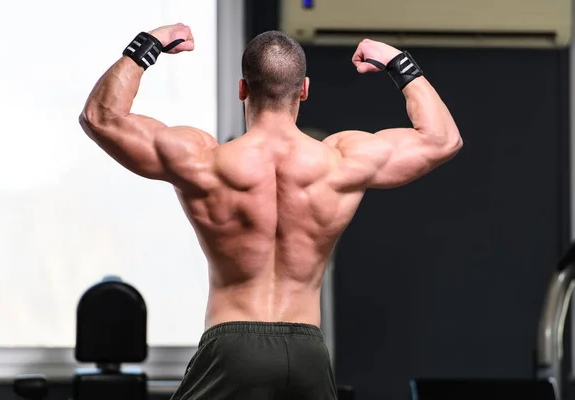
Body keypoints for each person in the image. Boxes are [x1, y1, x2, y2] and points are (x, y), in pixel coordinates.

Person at [80, 22, 462, 400]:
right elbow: (442, 139)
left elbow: (101, 117)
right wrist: (398, 61)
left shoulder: (203, 161)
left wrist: (149, 45)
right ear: (305, 90)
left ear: (243, 89)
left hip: (231, 346)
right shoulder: (342, 160)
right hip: (307, 352)